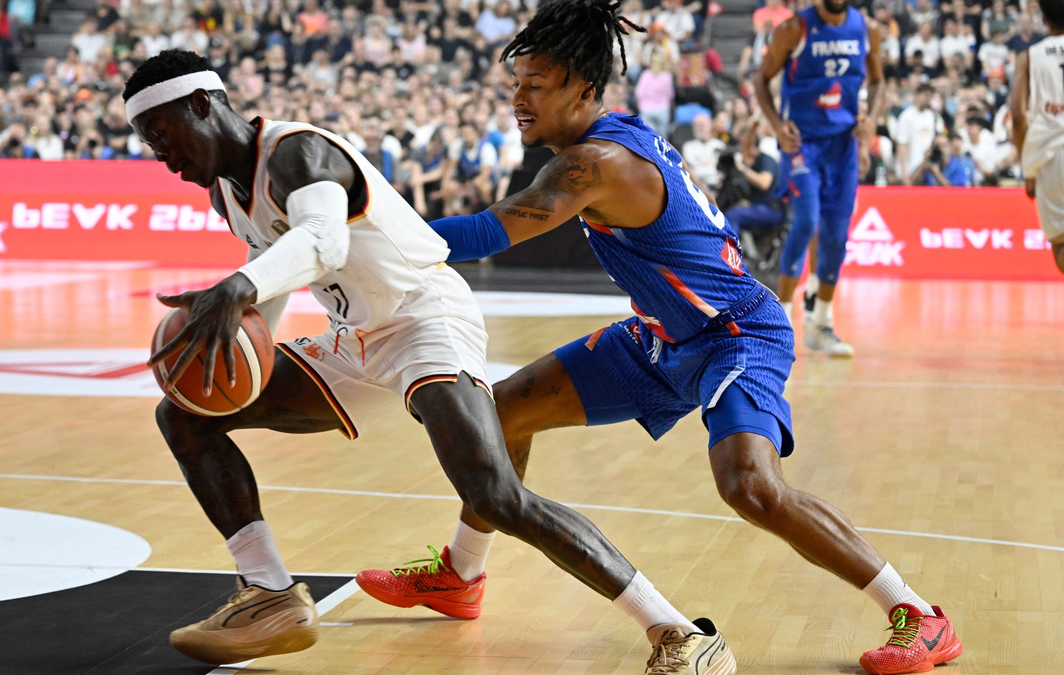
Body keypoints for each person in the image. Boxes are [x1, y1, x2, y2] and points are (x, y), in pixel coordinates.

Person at [356, 2, 961, 675]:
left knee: (750, 486)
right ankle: (461, 574)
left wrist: (359, 229)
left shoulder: (597, 162)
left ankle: (920, 615)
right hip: (661, 337)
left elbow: (485, 233)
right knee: (499, 415)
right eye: (516, 82)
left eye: (537, 84)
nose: (519, 99)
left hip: (736, 332)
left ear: (584, 89)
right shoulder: (606, 140)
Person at [126, 49, 689, 671]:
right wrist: (245, 358)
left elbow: (321, 242)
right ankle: (269, 595)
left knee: (494, 494)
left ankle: (675, 629)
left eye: (162, 134)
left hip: (425, 317)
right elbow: (275, 268)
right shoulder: (226, 194)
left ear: (201, 104)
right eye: (150, 143)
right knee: (184, 415)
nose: (161, 156)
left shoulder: (297, 152)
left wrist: (236, 289)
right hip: (355, 337)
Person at [752, 0, 885, 357]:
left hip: (843, 143)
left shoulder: (867, 29)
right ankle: (779, 322)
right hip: (802, 142)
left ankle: (820, 323)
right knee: (807, 220)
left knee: (837, 236)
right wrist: (777, 126)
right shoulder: (794, 28)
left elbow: (878, 82)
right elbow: (760, 78)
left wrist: (871, 119)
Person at [1012, 0, 1064, 274]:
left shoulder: (1029, 56)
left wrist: (1028, 169)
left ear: (1043, 20)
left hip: (1052, 155)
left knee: (1061, 243)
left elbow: (1018, 117)